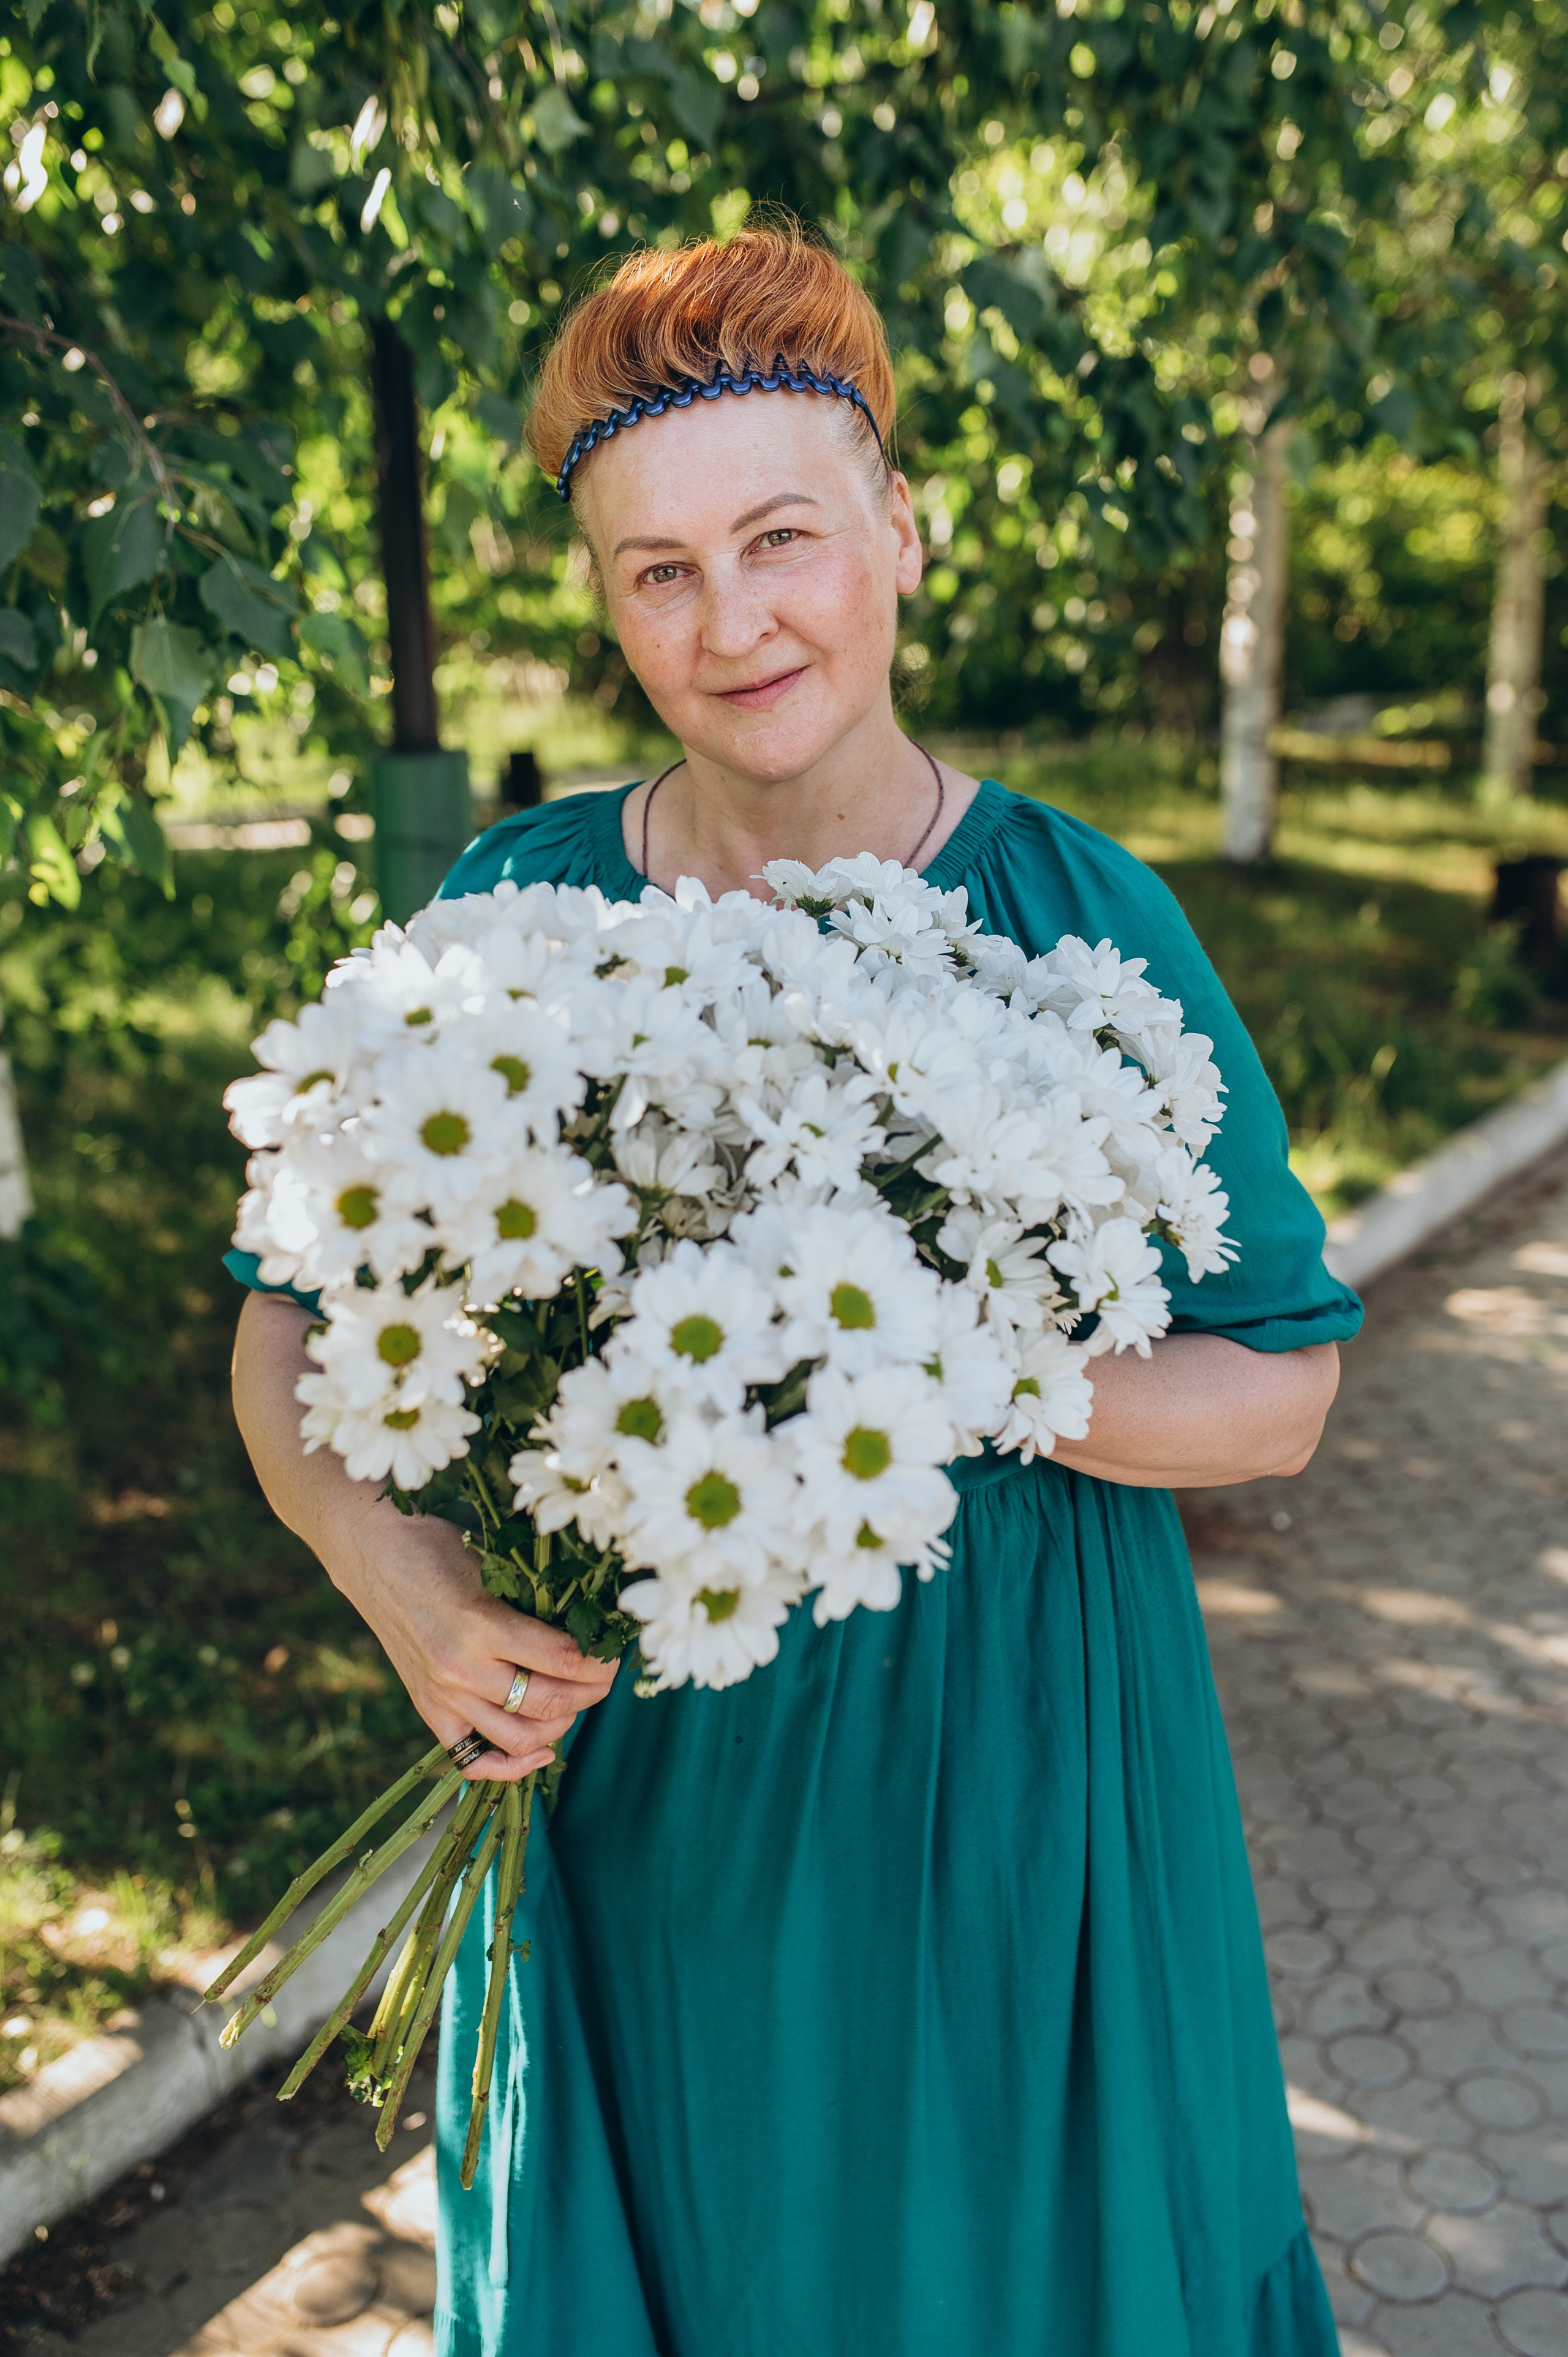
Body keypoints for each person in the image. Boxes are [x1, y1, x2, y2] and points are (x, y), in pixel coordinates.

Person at [228, 224, 1360, 2356]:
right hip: (633, 1795)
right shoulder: (515, 905)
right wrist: (402, 1587)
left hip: (1009, 1791)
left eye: (780, 539)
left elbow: (1279, 1394)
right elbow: (293, 1315)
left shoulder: (1072, 918)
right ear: (603, 604)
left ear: (900, 532)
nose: (731, 619)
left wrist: (936, 1361)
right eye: (657, 569)